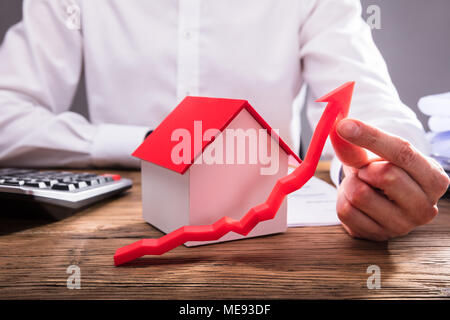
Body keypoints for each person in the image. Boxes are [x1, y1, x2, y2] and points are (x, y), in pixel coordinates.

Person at [0, 0, 448, 241]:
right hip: (117, 226)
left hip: (273, 239)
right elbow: (7, 117)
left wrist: (385, 170)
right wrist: (153, 142)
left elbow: (369, 103)